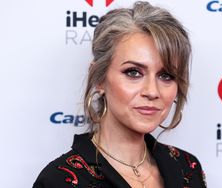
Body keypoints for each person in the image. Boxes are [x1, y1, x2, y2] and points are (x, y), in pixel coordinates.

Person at [33, 1, 207, 188]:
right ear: (99, 78)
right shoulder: (60, 181)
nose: (152, 91)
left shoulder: (187, 167)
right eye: (133, 72)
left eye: (166, 75)